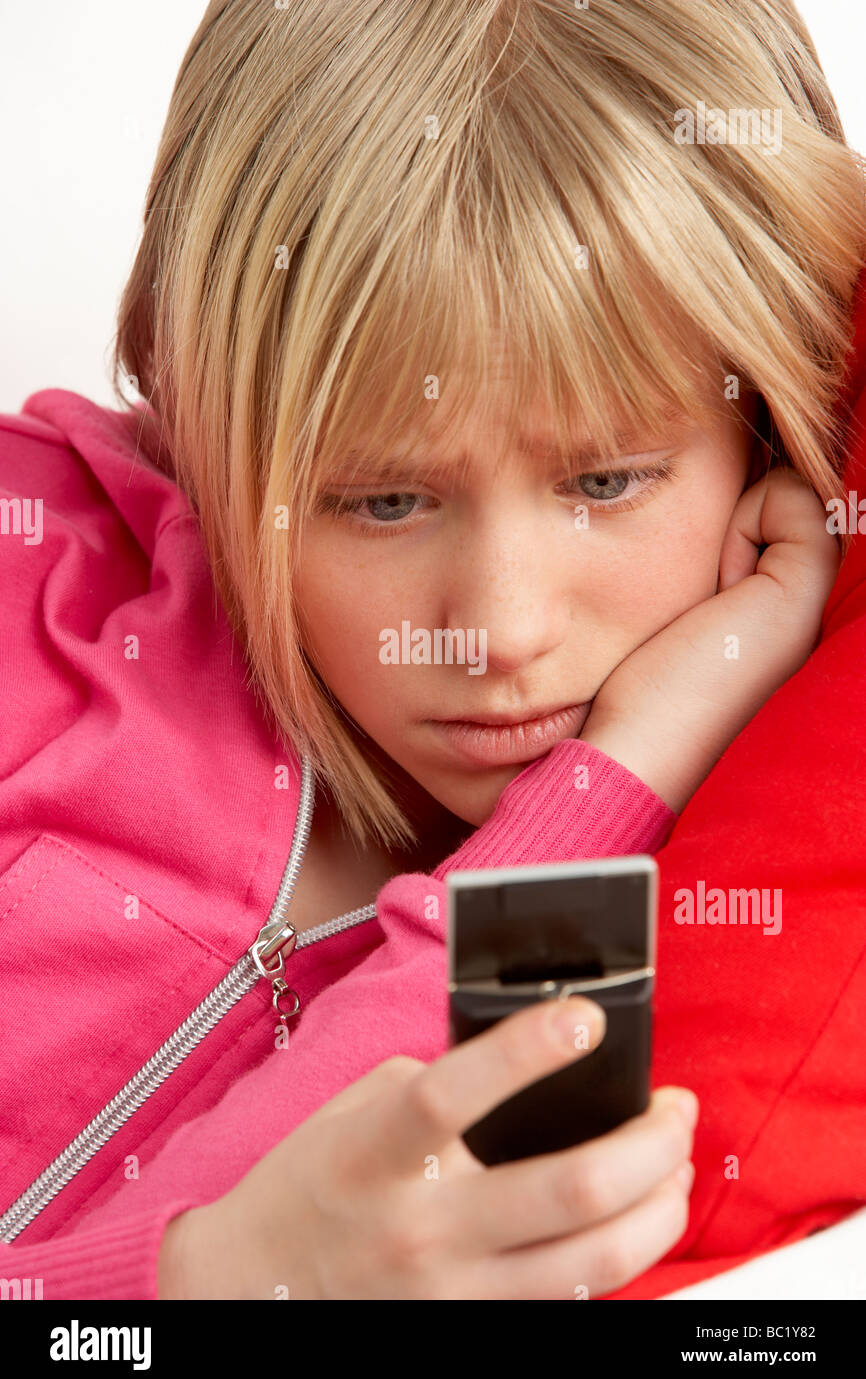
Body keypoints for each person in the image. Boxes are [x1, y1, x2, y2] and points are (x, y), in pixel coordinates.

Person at [0, 0, 863, 1300]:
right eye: (382, 501)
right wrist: (194, 1285)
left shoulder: (746, 832)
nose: (501, 632)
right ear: (193, 410)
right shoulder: (34, 584)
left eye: (608, 479)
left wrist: (617, 777)